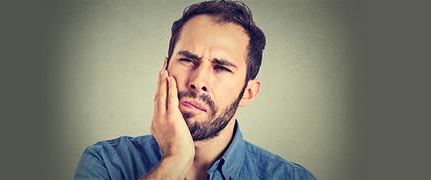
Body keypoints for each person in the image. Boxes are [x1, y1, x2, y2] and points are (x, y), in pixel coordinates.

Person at [74, 0, 316, 179]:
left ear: (248, 92)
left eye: (221, 67)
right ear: (165, 68)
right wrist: (176, 159)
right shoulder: (106, 163)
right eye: (188, 60)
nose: (198, 80)